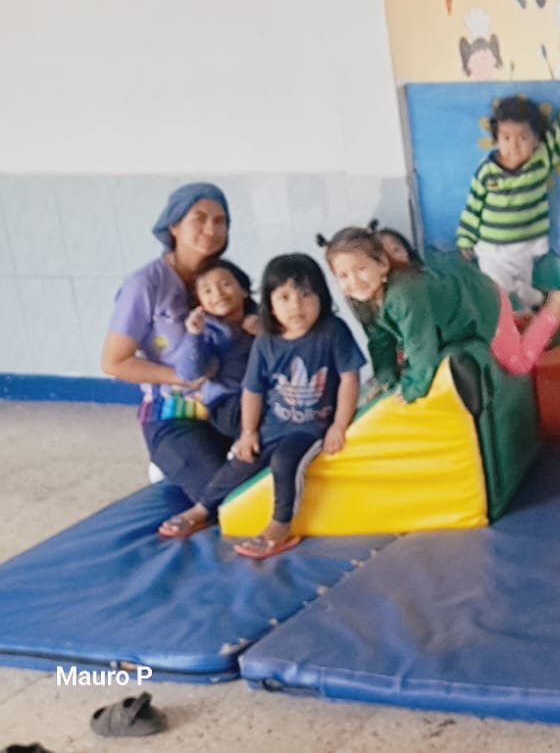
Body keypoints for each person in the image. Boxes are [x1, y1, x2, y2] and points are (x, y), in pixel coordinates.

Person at [158, 254, 365, 559]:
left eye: (306, 295)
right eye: (284, 297)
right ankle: (201, 510)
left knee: (284, 462)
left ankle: (280, 526)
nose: (296, 306)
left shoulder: (332, 331)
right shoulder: (267, 340)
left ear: (322, 296)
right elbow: (252, 390)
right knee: (240, 462)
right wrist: (248, 432)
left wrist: (339, 425)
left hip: (311, 427)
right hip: (273, 424)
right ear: (269, 303)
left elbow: (350, 379)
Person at [321, 224, 560, 403]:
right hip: (460, 310)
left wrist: (415, 388)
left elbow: (421, 342)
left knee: (517, 364)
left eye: (361, 269)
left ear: (382, 264)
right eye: (343, 275)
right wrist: (386, 376)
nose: (353, 281)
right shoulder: (363, 300)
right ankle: (521, 323)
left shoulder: (404, 294)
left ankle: (555, 309)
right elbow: (380, 340)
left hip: (483, 303)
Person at [102, 183, 234, 504]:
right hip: (174, 416)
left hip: (228, 408)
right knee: (229, 498)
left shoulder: (224, 279)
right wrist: (180, 378)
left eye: (220, 221)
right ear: (173, 226)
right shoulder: (145, 285)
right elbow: (114, 362)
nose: (210, 229)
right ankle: (170, 463)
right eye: (199, 219)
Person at [454, 78, 560, 309]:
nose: (514, 145)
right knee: (498, 293)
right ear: (496, 139)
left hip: (525, 246)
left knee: (521, 292)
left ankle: (535, 309)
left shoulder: (541, 160)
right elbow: (473, 207)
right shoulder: (487, 172)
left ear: (536, 140)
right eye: (506, 138)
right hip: (493, 249)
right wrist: (465, 239)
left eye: (522, 138)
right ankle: (536, 305)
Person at [171, 259, 259, 437]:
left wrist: (264, 332)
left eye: (225, 284)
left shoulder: (261, 318)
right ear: (199, 302)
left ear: (243, 290)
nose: (218, 294)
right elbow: (189, 373)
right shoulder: (206, 331)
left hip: (264, 394)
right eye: (207, 291)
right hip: (227, 402)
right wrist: (194, 335)